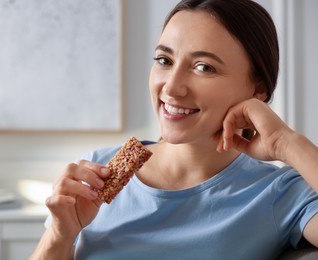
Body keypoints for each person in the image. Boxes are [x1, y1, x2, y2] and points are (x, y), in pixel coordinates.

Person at [30, 0, 318, 259]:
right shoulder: (97, 172)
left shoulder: (279, 194)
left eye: (204, 67)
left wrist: (285, 142)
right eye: (164, 60)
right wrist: (61, 232)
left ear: (258, 89)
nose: (171, 87)